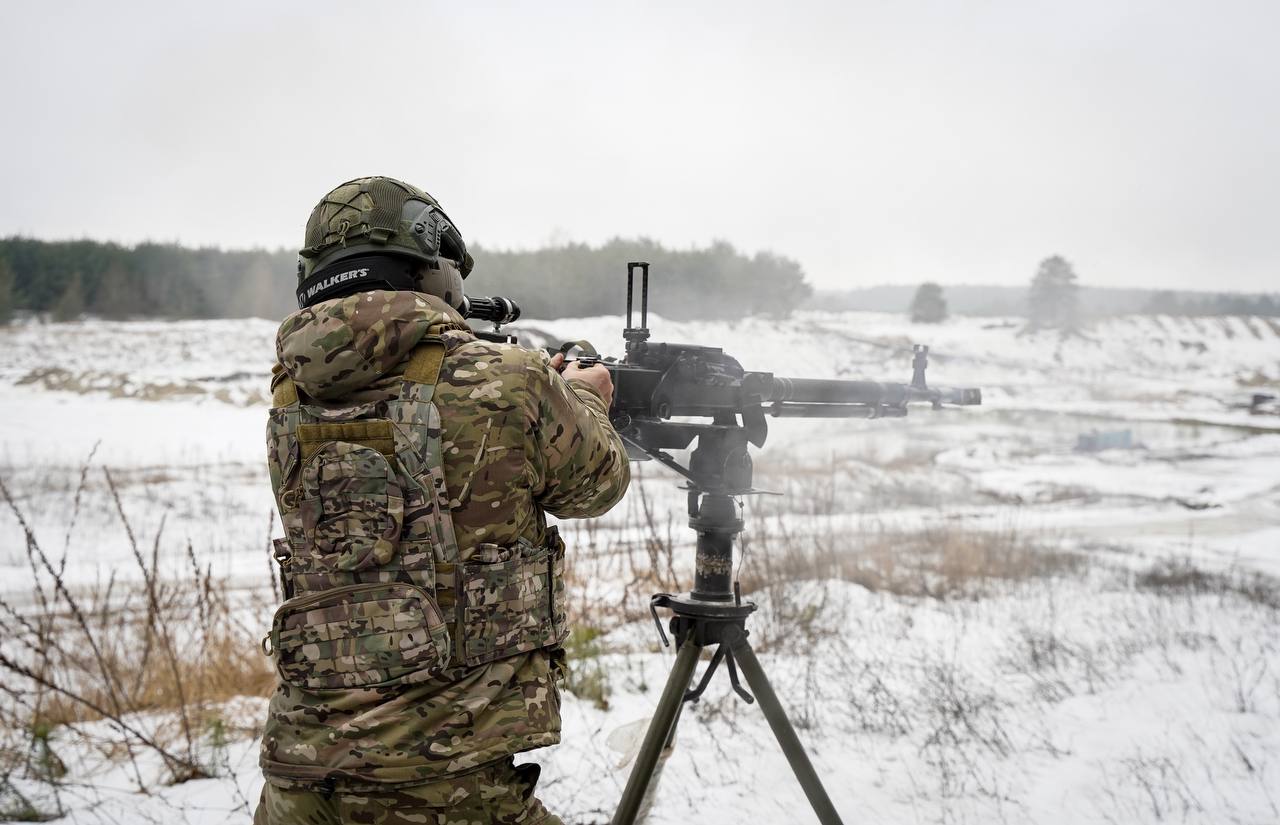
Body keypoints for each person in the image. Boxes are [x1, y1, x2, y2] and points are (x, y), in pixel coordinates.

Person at [254, 176, 630, 825]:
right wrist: (585, 394)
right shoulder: (509, 381)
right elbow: (598, 482)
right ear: (435, 267)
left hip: (299, 778)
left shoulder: (292, 395)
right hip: (442, 783)